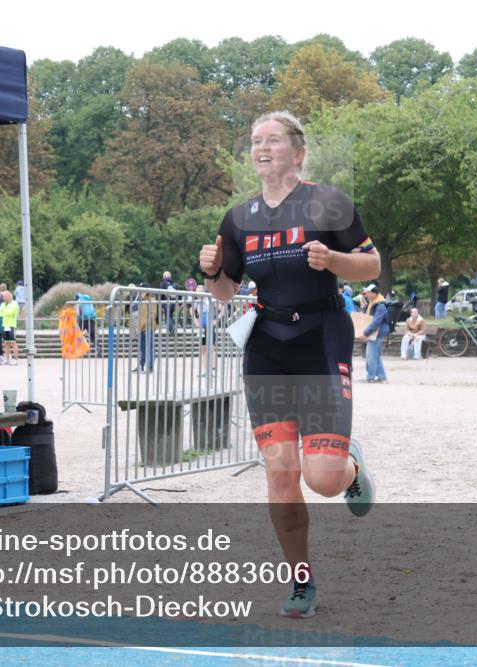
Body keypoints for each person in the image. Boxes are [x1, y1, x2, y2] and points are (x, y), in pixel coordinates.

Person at [198, 110, 377, 619]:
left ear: (297, 152)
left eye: (273, 140)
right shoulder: (238, 218)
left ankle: (350, 466)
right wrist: (211, 271)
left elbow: (372, 263)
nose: (262, 147)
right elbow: (226, 292)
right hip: (267, 347)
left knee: (321, 478)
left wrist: (334, 261)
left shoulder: (329, 202)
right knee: (280, 474)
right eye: (256, 140)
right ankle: (301, 580)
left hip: (320, 338)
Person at [361, 285, 390, 382]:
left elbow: (376, 322)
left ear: (374, 294)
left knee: (371, 356)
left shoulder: (380, 306)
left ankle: (370, 377)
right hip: (375, 333)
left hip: (377, 333)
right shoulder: (374, 303)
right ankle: (382, 377)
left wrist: (365, 333)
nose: (366, 294)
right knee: (375, 355)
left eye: (368, 293)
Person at [0, 289, 20, 365]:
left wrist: (4, 311)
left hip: (11, 325)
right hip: (5, 325)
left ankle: (16, 360)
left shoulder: (15, 304)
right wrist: (5, 312)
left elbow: (11, 313)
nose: (3, 298)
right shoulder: (3, 304)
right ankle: (7, 359)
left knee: (13, 343)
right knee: (6, 343)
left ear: (8, 296)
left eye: (4, 296)